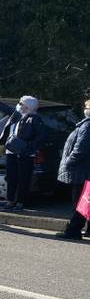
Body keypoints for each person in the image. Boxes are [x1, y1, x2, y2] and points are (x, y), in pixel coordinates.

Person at [0, 94, 46, 211]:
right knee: (11, 177)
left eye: (21, 104)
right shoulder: (16, 114)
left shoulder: (34, 119)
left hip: (25, 155)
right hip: (11, 152)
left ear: (27, 107)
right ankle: (10, 200)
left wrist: (29, 148)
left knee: (23, 179)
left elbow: (42, 136)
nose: (18, 105)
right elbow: (4, 108)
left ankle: (21, 202)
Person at [55, 99, 90, 239]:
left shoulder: (87, 126)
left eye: (87, 106)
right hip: (84, 169)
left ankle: (73, 231)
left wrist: (69, 162)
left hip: (80, 170)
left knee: (80, 203)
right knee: (86, 201)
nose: (85, 109)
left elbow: (81, 149)